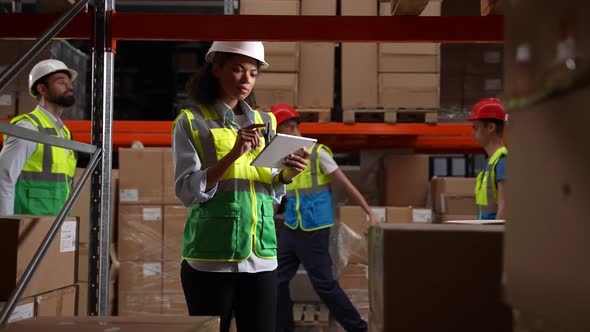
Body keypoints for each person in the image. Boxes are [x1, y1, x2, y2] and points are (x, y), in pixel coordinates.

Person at [172, 41, 309, 332]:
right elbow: (186, 190)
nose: (247, 79)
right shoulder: (192, 122)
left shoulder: (265, 121)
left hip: (261, 257)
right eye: (237, 70)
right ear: (216, 69)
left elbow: (270, 187)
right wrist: (232, 155)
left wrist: (287, 174)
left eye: (253, 73)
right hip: (211, 258)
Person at [271, 104, 379, 332]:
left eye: (280, 131)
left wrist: (369, 212)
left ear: (291, 128)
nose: (277, 137)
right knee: (276, 279)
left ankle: (358, 328)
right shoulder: (284, 158)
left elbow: (346, 185)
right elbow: (278, 195)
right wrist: (267, 222)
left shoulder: (318, 153)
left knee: (324, 284)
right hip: (292, 227)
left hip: (315, 228)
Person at [0, 59, 78, 216]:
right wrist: (5, 226)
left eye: (69, 82)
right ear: (42, 89)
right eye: (61, 82)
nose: (69, 86)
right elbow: (3, 177)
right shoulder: (28, 127)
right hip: (28, 226)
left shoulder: (63, 132)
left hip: (56, 222)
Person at [468, 97, 508, 220]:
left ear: (490, 127)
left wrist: (495, 236)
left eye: (476, 127)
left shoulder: (502, 162)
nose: (472, 133)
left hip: (495, 234)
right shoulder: (491, 162)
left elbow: (505, 207)